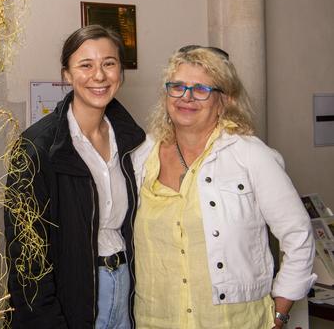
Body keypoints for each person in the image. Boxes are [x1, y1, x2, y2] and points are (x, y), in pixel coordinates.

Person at [132, 45, 316, 329]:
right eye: (177, 86)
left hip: (235, 322)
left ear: (225, 100)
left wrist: (279, 315)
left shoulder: (251, 156)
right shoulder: (141, 155)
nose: (186, 97)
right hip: (155, 320)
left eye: (201, 89)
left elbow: (299, 235)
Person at [5, 25, 145, 329]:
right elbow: (26, 258)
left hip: (128, 288)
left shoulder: (134, 141)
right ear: (66, 74)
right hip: (72, 297)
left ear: (121, 71)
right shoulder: (36, 148)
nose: (99, 76)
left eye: (109, 63)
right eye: (86, 65)